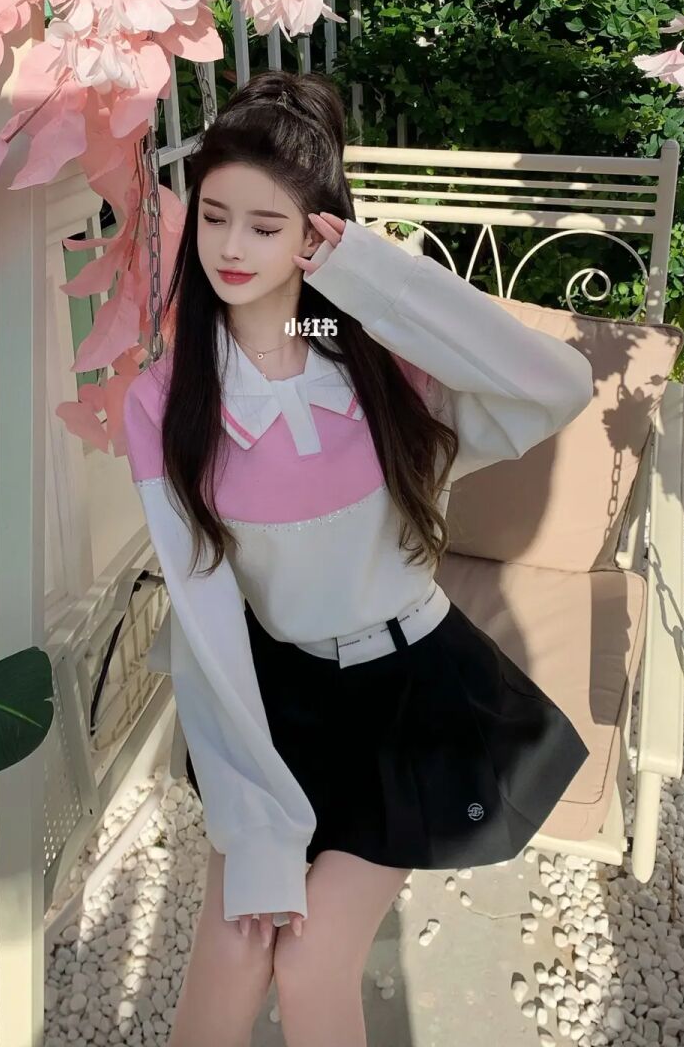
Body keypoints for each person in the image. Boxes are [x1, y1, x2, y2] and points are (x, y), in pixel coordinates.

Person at [122, 70, 595, 1047]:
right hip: (274, 702)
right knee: (235, 946)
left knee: (310, 960)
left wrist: (371, 278)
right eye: (215, 217)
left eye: (267, 225)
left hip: (413, 697)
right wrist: (256, 826)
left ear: (315, 234)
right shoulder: (167, 402)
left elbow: (556, 385)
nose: (232, 248)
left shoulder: (382, 367)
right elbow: (206, 622)